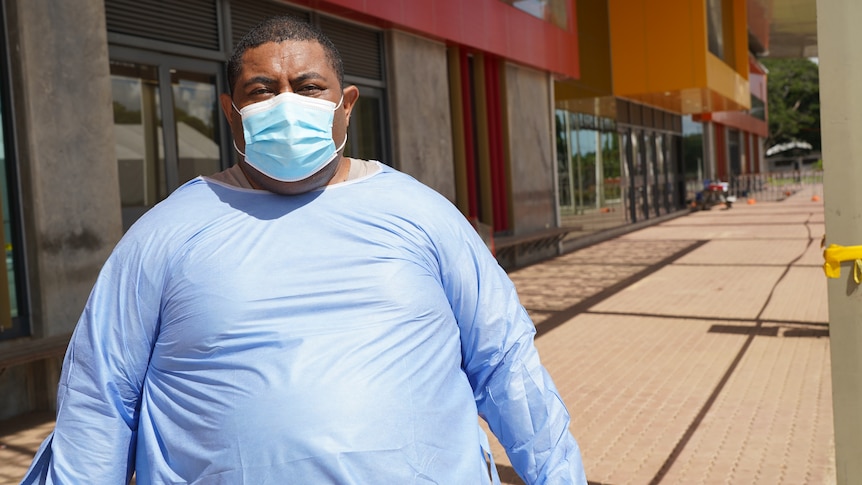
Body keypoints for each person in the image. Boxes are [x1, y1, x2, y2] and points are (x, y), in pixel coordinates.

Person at [22, 15, 586, 485]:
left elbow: (506, 365)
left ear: (346, 104)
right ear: (230, 112)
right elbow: (99, 399)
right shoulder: (162, 235)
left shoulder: (423, 214)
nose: (286, 104)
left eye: (309, 88)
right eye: (262, 91)